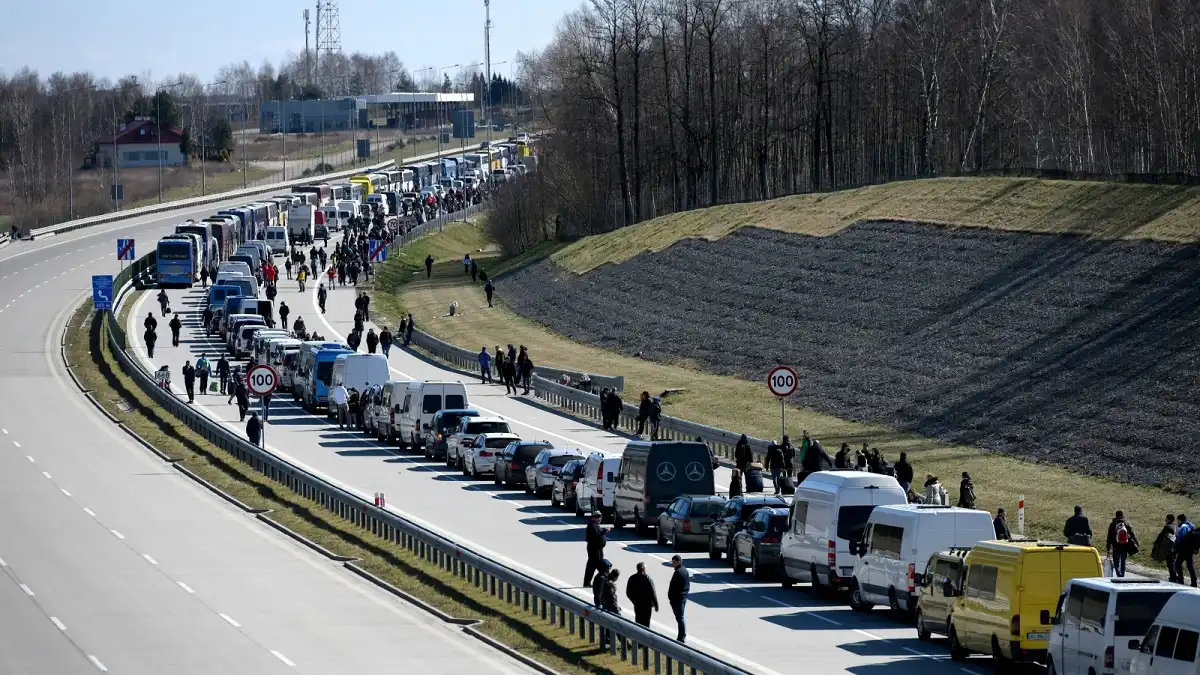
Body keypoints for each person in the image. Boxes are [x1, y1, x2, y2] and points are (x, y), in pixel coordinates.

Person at [1105, 510, 1139, 578]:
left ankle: (1118, 574)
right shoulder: (1126, 523)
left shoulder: (1113, 524)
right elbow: (1132, 534)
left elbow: (1109, 537)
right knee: (1123, 562)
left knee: (1116, 562)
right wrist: (1136, 542)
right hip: (1125, 546)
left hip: (1116, 546)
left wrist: (1108, 548)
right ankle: (1122, 576)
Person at [625, 562, 658, 628]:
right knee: (646, 622)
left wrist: (634, 601)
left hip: (637, 605)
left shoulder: (632, 578)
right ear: (643, 569)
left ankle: (637, 635)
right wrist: (656, 605)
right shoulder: (648, 579)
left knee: (638, 620)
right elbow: (652, 593)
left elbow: (628, 593)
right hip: (647, 605)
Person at [667, 555, 690, 643]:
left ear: (679, 562)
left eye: (674, 562)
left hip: (678, 599)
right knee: (680, 617)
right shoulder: (684, 570)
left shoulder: (679, 572)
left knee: (680, 618)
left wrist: (672, 598)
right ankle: (681, 635)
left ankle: (682, 636)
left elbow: (675, 587)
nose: (673, 564)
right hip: (681, 598)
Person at [583, 513, 608, 586]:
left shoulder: (594, 525)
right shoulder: (592, 525)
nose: (599, 519)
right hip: (595, 549)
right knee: (602, 566)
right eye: (597, 517)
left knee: (591, 566)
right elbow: (597, 535)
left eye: (600, 517)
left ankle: (587, 583)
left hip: (596, 548)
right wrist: (605, 531)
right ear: (593, 518)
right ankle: (604, 582)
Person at [1173, 514, 1197, 587]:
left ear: (1180, 519)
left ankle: (1181, 580)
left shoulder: (1183, 527)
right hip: (1190, 550)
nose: (1177, 522)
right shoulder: (1191, 526)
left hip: (1183, 550)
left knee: (1177, 564)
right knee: (1190, 566)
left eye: (1178, 520)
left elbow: (1180, 539)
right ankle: (1194, 582)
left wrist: (1175, 547)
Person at [1153, 514, 1177, 579]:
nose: (1165, 520)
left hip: (1168, 547)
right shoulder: (1175, 526)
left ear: (1168, 519)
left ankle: (1173, 577)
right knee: (1172, 561)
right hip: (1174, 546)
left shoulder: (1167, 527)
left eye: (1166, 519)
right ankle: (1174, 576)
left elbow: (1160, 536)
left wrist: (1155, 543)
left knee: (1170, 563)